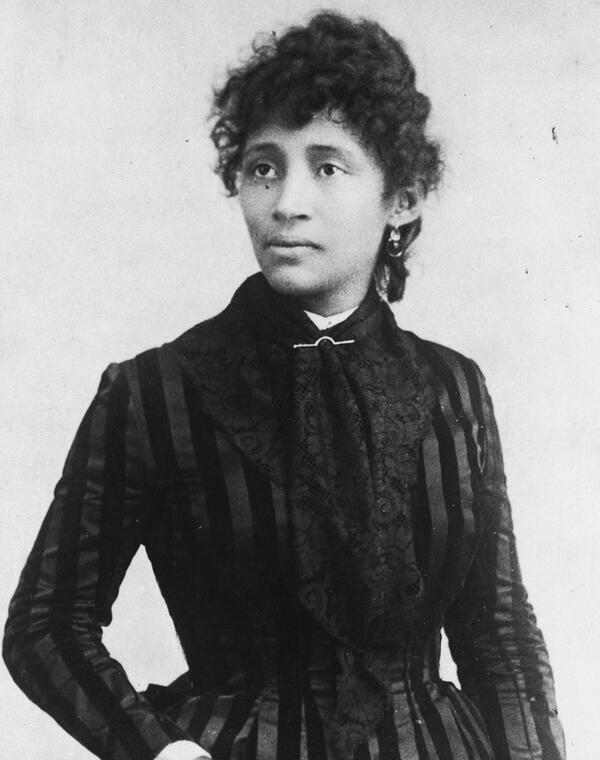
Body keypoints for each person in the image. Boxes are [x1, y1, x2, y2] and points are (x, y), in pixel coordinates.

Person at [3, 10, 565, 760]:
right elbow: (45, 625)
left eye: (327, 167)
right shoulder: (156, 393)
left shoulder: (451, 389)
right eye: (264, 167)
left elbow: (497, 631)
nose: (285, 202)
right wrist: (159, 752)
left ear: (400, 199)